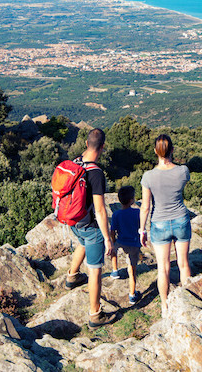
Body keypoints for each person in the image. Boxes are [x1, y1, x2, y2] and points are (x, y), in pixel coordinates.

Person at [64, 128, 115, 328]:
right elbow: (100, 210)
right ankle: (95, 314)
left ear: (86, 144)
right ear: (102, 147)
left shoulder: (75, 162)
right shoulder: (96, 173)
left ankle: (72, 276)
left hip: (73, 220)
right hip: (90, 225)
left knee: (83, 242)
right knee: (95, 270)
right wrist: (107, 238)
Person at [139, 134, 191, 316]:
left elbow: (145, 207)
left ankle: (164, 306)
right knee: (183, 264)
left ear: (155, 151)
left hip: (159, 223)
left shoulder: (148, 177)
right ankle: (188, 302)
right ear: (173, 150)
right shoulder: (183, 171)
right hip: (181, 219)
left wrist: (141, 230)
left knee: (163, 268)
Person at [109, 185, 142, 305]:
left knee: (113, 248)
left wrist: (112, 243)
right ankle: (132, 295)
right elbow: (141, 227)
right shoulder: (137, 212)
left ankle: (114, 271)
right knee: (132, 269)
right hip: (133, 243)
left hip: (121, 241)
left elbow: (112, 231)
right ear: (132, 200)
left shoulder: (116, 214)